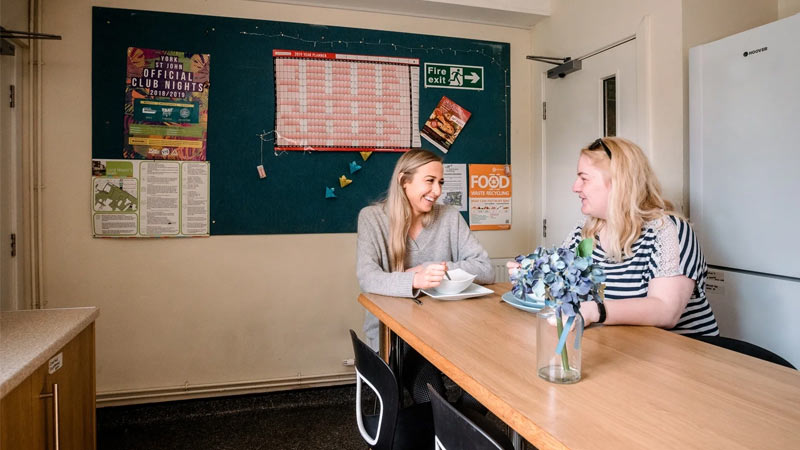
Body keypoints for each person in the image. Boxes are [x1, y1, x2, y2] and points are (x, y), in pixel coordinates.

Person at [510, 137, 719, 335]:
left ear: (619, 182)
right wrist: (531, 276)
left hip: (684, 357)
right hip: (625, 350)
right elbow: (563, 288)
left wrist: (596, 311)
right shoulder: (583, 232)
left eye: (584, 178)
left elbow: (666, 311)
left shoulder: (668, 231)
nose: (575, 187)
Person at [357, 149, 494, 401]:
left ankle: (456, 433)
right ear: (404, 181)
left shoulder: (449, 216)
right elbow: (367, 277)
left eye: (440, 182)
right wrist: (414, 280)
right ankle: (447, 432)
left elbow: (486, 268)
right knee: (432, 397)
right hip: (399, 340)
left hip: (451, 332)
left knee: (490, 384)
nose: (438, 191)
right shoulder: (372, 218)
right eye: (429, 181)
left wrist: (432, 268)